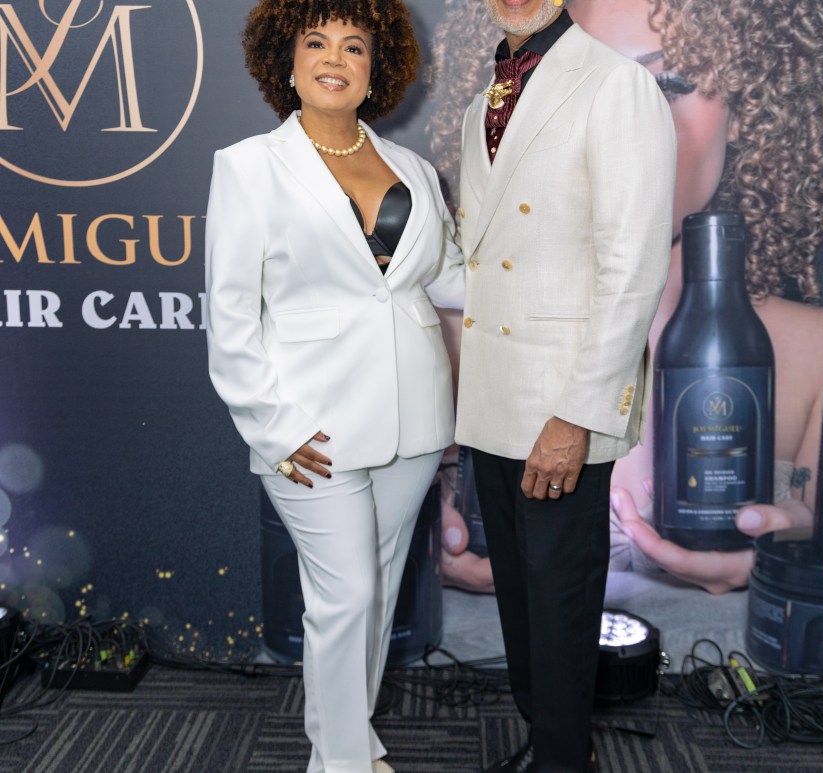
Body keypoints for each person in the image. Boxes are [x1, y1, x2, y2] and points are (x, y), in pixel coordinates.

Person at [437, 0, 823, 597]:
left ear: (742, 106)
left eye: (668, 85)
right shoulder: (446, 339)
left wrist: (801, 565)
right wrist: (405, 529)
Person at [204, 2, 464, 770]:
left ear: (375, 68)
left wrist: (543, 269)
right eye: (315, 41)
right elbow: (229, 317)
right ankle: (345, 761)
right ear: (285, 61)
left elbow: (450, 279)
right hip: (308, 426)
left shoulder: (415, 171)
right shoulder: (249, 167)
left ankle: (346, 743)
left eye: (354, 46)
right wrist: (274, 427)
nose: (333, 58)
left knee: (371, 593)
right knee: (345, 594)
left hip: (414, 417)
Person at [455, 2, 676, 772]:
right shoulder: (482, 100)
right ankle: (553, 743)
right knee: (523, 609)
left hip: (559, 405)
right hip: (492, 398)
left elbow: (633, 270)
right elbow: (480, 257)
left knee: (558, 612)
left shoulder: (616, 85)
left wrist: (577, 415)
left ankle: (563, 759)